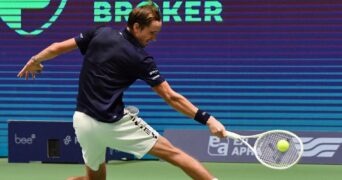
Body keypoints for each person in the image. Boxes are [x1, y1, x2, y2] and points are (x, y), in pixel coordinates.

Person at [17, 2, 227, 180]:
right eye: (152, 33)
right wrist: (207, 119)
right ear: (137, 27)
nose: (154, 38)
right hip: (112, 123)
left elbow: (56, 47)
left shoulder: (101, 32)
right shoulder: (141, 59)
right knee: (174, 154)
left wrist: (36, 60)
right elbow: (171, 97)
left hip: (81, 121)